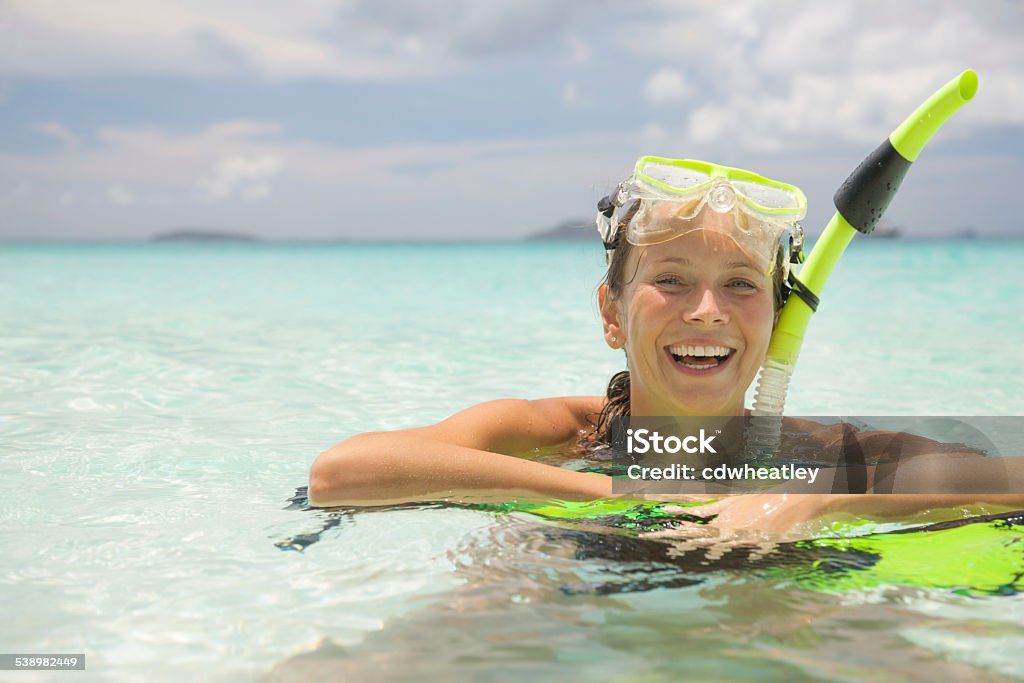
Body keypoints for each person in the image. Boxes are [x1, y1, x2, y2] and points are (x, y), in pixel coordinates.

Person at [308, 156, 1023, 539]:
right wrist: (630, 493)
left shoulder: (830, 456)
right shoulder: (561, 433)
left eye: (740, 284)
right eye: (672, 279)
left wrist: (809, 507)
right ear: (612, 314)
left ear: (777, 320)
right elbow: (341, 472)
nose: (706, 310)